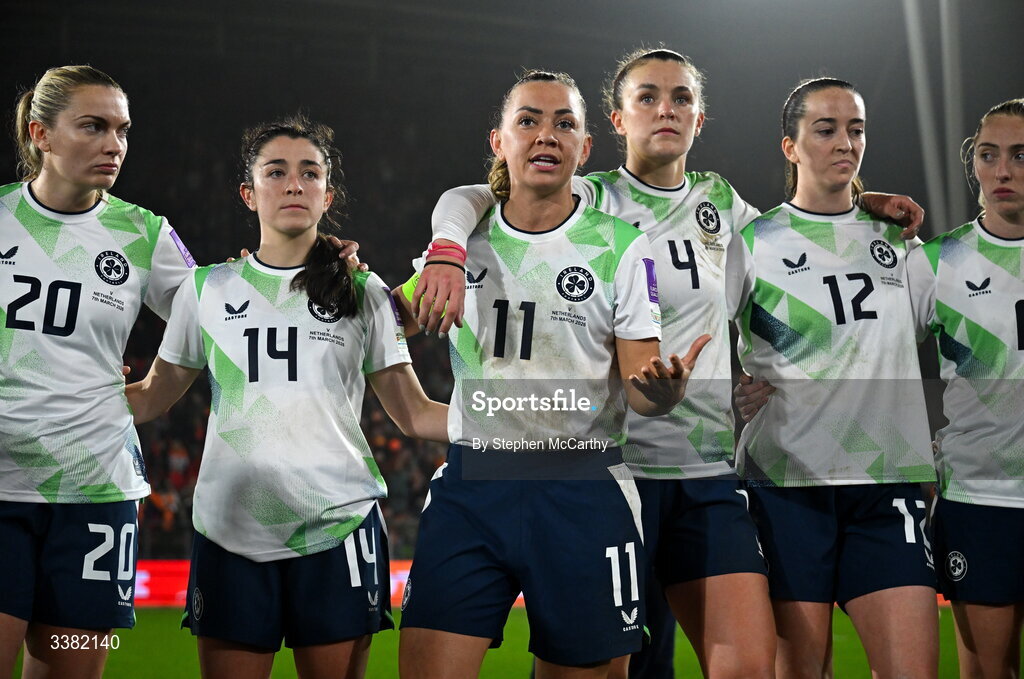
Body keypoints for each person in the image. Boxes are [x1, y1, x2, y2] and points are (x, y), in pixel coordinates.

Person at [413, 48, 923, 679]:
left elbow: (799, 248)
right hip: (613, 473)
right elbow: (473, 196)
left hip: (703, 469)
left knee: (746, 666)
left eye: (681, 98)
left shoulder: (723, 206)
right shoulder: (583, 195)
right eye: (647, 97)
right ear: (616, 123)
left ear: (700, 119)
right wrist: (447, 246)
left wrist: (858, 203)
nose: (666, 110)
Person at [396, 69, 709, 679]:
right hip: (472, 486)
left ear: (585, 147)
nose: (547, 134)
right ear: (499, 141)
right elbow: (380, 329)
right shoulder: (462, 243)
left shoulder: (621, 246)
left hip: (582, 488)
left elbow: (642, 387)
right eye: (529, 120)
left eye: (565, 122)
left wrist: (662, 392)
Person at [125, 115, 449, 679]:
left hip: (338, 526)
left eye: (310, 173)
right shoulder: (205, 289)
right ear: (248, 194)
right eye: (276, 172)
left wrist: (530, 419)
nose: (294, 184)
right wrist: (63, 394)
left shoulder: (363, 290)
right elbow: (152, 397)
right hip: (228, 530)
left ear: (328, 192)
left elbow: (416, 413)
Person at [732, 77, 938, 679]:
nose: (844, 142)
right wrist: (733, 390)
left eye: (856, 129)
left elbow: (956, 335)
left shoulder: (901, 244)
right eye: (825, 129)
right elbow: (694, 334)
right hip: (788, 485)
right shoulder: (753, 244)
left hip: (886, 483)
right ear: (790, 147)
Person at [0, 65, 196, 679]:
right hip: (2, 483)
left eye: (122, 129)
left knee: (71, 668)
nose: (114, 144)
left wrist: (150, 396)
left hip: (95, 489)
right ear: (42, 134)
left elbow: (212, 324)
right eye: (93, 126)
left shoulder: (144, 232)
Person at [908, 98, 1024, 679]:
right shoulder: (937, 262)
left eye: (1020, 156)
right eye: (989, 155)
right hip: (981, 499)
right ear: (972, 163)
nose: (1002, 171)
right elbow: (871, 352)